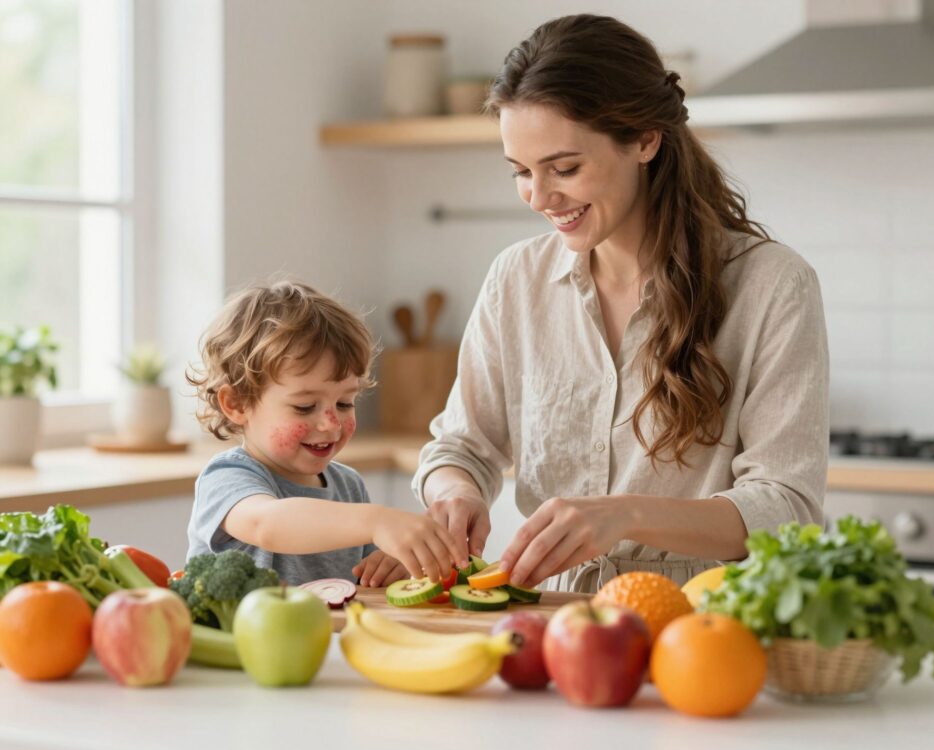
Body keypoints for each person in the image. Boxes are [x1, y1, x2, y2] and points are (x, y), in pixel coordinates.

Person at [413, 14, 829, 592]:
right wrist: (454, 491)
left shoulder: (771, 285)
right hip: (551, 621)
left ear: (645, 140)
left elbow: (787, 507)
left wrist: (625, 515)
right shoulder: (517, 279)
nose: (539, 197)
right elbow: (460, 446)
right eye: (521, 172)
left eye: (564, 168)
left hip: (699, 622)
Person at [186, 280, 464, 588]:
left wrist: (390, 564)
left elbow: (362, 589)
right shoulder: (227, 478)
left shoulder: (349, 487)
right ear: (237, 403)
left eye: (345, 402)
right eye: (305, 407)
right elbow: (266, 523)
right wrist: (376, 521)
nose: (331, 423)